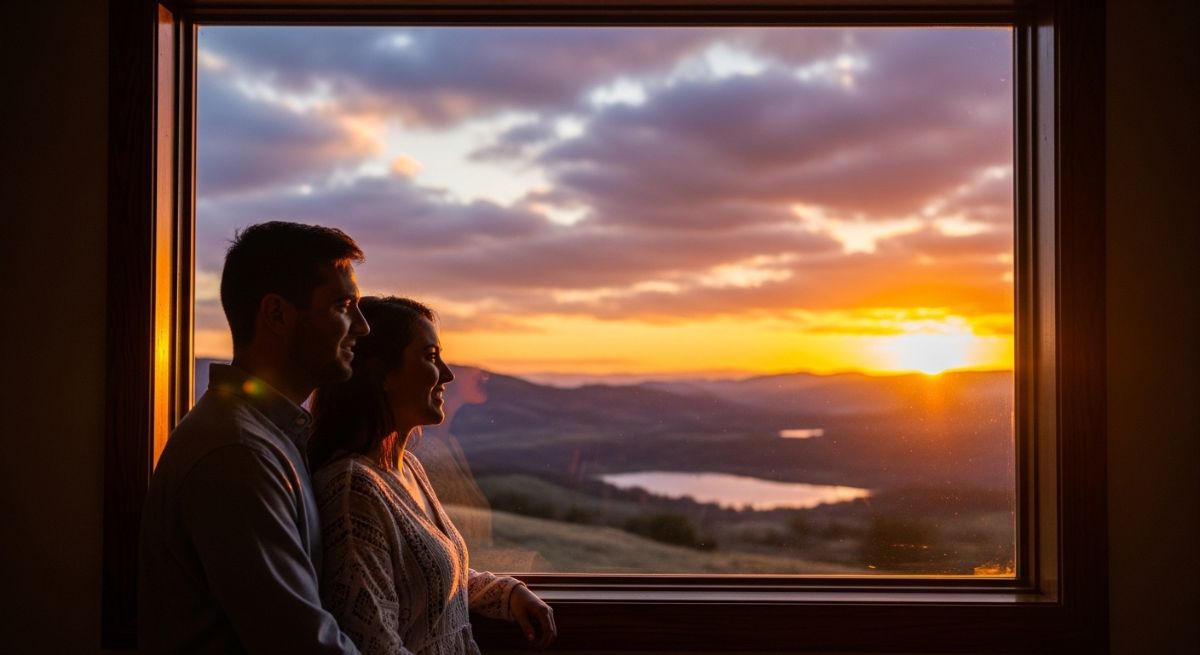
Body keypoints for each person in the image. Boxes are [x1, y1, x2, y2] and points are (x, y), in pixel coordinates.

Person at [138, 221, 369, 654]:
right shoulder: (237, 455)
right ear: (277, 314)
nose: (362, 326)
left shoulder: (267, 437)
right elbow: (302, 645)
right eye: (343, 306)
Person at [309, 296, 557, 654]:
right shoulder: (353, 492)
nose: (448, 374)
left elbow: (426, 573)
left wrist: (506, 592)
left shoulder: (407, 467)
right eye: (430, 356)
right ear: (383, 375)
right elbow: (376, 644)